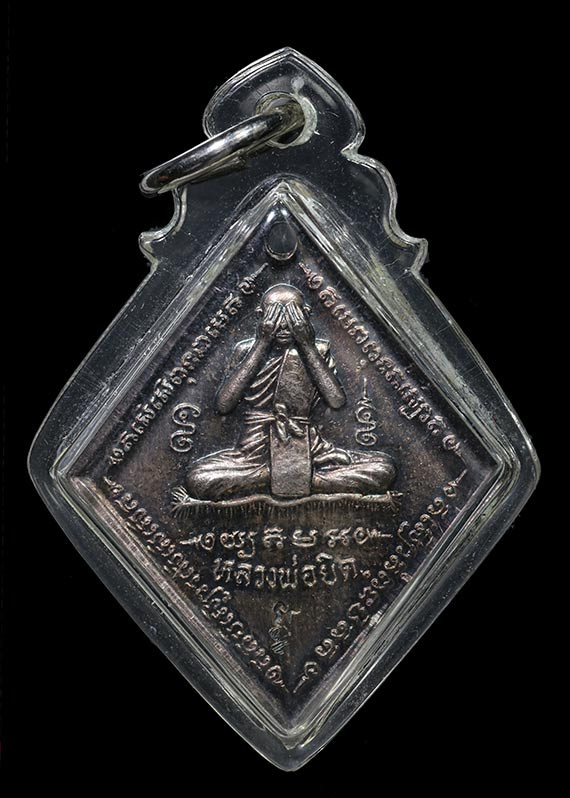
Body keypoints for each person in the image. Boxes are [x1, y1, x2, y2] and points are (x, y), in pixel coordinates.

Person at [186, 284, 396, 500]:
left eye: (292, 316)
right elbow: (224, 405)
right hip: (252, 454)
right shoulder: (245, 351)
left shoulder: (318, 350)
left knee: (383, 469)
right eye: (275, 316)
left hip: (311, 449)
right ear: (260, 317)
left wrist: (306, 345)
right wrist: (262, 343)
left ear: (305, 316)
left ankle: (287, 476)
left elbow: (336, 401)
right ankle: (297, 477)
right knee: (198, 478)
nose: (284, 325)